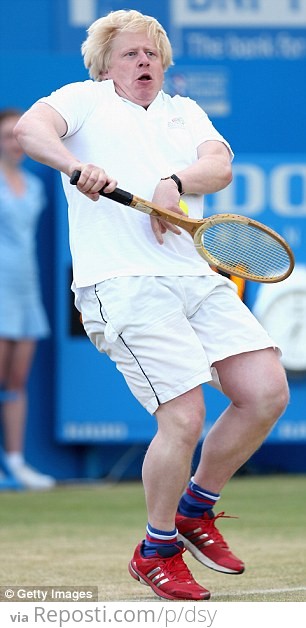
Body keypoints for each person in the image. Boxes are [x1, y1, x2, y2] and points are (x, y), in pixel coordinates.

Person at [14, 10, 289, 599]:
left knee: (266, 391)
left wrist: (176, 180)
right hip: (122, 284)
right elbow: (30, 132)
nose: (145, 62)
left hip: (193, 276)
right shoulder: (80, 99)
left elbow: (218, 164)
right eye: (132, 54)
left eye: (153, 54)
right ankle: (157, 548)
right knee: (183, 418)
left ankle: (196, 508)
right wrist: (73, 164)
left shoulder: (182, 110)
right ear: (107, 64)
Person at [0, 108, 55, 490]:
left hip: (26, 288)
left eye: (18, 136)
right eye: (7, 136)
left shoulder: (34, 186)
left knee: (16, 381)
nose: (14, 143)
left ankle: (17, 464)